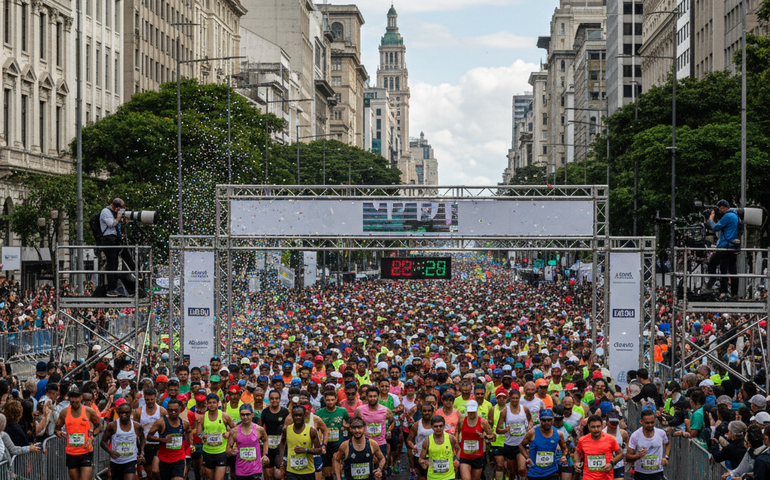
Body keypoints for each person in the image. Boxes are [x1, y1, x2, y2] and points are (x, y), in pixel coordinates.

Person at [54, 386, 101, 480]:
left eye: (76, 397)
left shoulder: (89, 411)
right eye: (71, 397)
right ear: (68, 398)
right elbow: (57, 428)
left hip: (86, 452)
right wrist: (58, 432)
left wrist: (93, 434)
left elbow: (98, 425)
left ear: (81, 398)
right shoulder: (64, 413)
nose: (74, 400)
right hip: (71, 453)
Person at [147, 398, 193, 480]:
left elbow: (189, 431)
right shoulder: (161, 422)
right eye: (171, 410)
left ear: (180, 410)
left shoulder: (184, 423)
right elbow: (149, 437)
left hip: (179, 458)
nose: (173, 412)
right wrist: (161, 440)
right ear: (167, 410)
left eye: (176, 410)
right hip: (164, 459)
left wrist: (191, 444)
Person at [100, 401, 146, 480]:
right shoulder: (112, 426)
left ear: (130, 412)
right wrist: (110, 452)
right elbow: (103, 442)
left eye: (126, 412)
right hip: (116, 462)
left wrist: (141, 451)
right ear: (118, 412)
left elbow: (142, 438)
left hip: (130, 460)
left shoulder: (137, 426)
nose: (123, 415)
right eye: (121, 413)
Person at [704, 199, 741, 299]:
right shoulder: (735, 215)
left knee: (718, 266)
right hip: (733, 246)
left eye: (720, 209)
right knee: (733, 270)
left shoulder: (727, 216)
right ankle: (734, 293)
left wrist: (710, 219)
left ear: (723, 208)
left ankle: (721, 290)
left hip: (725, 246)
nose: (719, 211)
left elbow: (715, 227)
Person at [519, 409, 568, 480]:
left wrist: (564, 456)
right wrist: (527, 456)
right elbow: (520, 444)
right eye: (544, 420)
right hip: (535, 473)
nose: (546, 422)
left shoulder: (558, 434)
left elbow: (564, 448)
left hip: (552, 471)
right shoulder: (532, 433)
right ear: (540, 420)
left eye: (549, 420)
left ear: (553, 420)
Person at [196, 392, 237, 480]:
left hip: (221, 452)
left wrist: (229, 432)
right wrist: (204, 435)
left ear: (218, 403)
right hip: (207, 452)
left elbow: (235, 429)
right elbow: (199, 433)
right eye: (210, 403)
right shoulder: (203, 417)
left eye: (214, 402)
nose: (212, 405)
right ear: (206, 404)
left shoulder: (224, 416)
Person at [278, 404, 324, 480]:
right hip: (292, 471)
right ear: (292, 416)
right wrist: (281, 461)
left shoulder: (311, 431)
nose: (298, 417)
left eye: (300, 415)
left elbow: (319, 450)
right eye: (295, 415)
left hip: (308, 471)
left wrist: (306, 450)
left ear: (304, 416)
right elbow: (282, 443)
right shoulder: (287, 430)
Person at [225, 403, 269, 480]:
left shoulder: (259, 429)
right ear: (240, 415)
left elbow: (265, 440)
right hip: (240, 469)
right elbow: (228, 450)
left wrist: (265, 454)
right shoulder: (234, 431)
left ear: (252, 414)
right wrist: (232, 452)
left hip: (256, 469)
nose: (245, 417)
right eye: (243, 414)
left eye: (248, 414)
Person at [496, 388, 532, 480]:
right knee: (511, 472)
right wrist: (504, 430)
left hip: (522, 444)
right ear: (509, 398)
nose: (515, 400)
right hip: (510, 444)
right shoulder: (505, 411)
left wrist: (529, 426)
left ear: (519, 398)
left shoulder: (525, 409)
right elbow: (497, 429)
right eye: (513, 398)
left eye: (517, 398)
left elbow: (530, 419)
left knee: (522, 469)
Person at [574, 415, 624, 480]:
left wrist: (612, 463)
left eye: (598, 426)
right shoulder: (582, 440)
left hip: (606, 477)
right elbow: (577, 451)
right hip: (588, 477)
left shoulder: (610, 439)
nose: (596, 429)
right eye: (593, 427)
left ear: (602, 426)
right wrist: (577, 462)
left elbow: (620, 454)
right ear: (589, 427)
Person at [626, 409, 670, 480]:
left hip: (657, 473)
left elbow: (667, 444)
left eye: (652, 422)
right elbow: (628, 458)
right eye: (647, 423)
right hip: (641, 474)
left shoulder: (661, 433)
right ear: (641, 421)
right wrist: (638, 456)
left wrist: (666, 457)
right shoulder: (635, 436)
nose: (650, 425)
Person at [456, 400, 495, 480]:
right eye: (469, 412)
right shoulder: (462, 420)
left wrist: (486, 436)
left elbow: (493, 437)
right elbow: (457, 431)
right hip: (465, 456)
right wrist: (457, 446)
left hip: (478, 456)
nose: (471, 414)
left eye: (473, 411)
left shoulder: (483, 422)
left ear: (476, 410)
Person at [353, 386, 395, 460]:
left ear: (378, 397)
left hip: (381, 443)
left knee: (381, 466)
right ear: (367, 397)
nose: (372, 399)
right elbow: (353, 424)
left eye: (375, 396)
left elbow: (393, 421)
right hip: (365, 443)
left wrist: (389, 431)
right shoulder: (359, 410)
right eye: (370, 396)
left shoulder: (385, 410)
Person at [134, 387, 166, 480]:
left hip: (159, 445)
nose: (150, 401)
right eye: (147, 399)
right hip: (145, 446)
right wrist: (139, 450)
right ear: (144, 398)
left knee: (156, 471)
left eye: (152, 399)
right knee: (149, 475)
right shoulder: (139, 411)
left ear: (155, 398)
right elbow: (136, 431)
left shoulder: (162, 411)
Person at [317, 390, 350, 480]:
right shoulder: (319, 413)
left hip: (338, 444)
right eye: (328, 400)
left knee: (340, 469)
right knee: (328, 473)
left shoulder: (343, 411)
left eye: (332, 400)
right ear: (324, 400)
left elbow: (348, 424)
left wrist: (346, 427)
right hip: (326, 445)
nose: (330, 402)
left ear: (336, 400)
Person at [418, 415, 459, 480]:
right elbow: (421, 458)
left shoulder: (451, 438)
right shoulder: (427, 441)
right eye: (436, 426)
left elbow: (458, 449)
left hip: (449, 476)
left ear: (444, 426)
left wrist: (456, 459)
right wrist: (423, 462)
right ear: (431, 427)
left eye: (440, 426)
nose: (438, 428)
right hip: (433, 477)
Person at [261, 389, 290, 480]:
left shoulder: (285, 412)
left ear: (280, 399)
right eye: (272, 398)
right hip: (268, 447)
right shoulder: (265, 412)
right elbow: (259, 429)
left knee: (279, 475)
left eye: (277, 398)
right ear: (269, 399)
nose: (274, 400)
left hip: (280, 448)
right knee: (268, 475)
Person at [100, 198, 126, 297]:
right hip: (108, 239)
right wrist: (119, 217)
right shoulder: (105, 211)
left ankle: (115, 287)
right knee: (111, 263)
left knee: (115, 263)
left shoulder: (113, 213)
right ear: (113, 206)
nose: (117, 211)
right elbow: (112, 224)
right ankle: (111, 287)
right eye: (117, 209)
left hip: (114, 239)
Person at [407, 402, 436, 480]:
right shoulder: (416, 425)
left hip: (434, 455)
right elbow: (409, 440)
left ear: (432, 411)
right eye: (424, 411)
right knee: (422, 478)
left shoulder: (437, 424)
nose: (427, 413)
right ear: (421, 411)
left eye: (429, 411)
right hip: (419, 455)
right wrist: (413, 446)